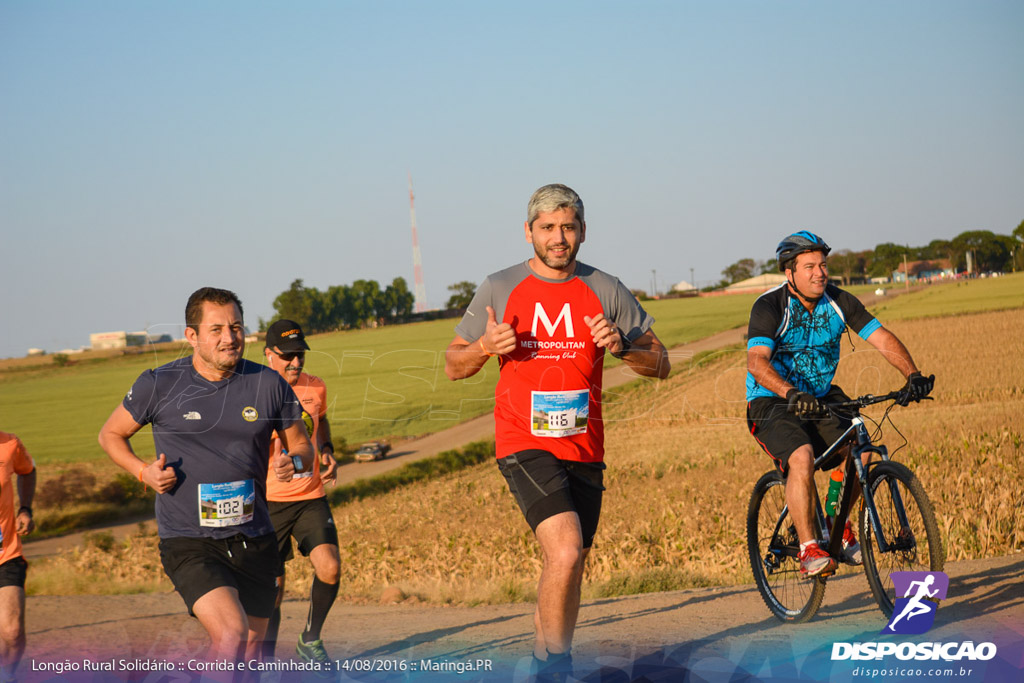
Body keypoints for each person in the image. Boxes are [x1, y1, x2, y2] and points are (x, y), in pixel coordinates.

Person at [444, 184, 670, 681]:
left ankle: (541, 658)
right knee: (565, 549)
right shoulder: (499, 287)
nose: (558, 237)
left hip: (585, 445)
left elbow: (662, 363)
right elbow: (453, 365)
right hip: (524, 442)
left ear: (583, 231)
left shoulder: (606, 287)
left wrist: (623, 347)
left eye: (567, 227)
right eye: (547, 228)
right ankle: (556, 668)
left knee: (570, 563)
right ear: (529, 232)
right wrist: (484, 345)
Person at [98, 287, 313, 674]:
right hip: (190, 540)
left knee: (250, 654)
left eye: (236, 327)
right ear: (191, 336)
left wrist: (293, 463)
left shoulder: (268, 384)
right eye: (216, 329)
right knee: (231, 634)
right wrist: (142, 471)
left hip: (254, 538)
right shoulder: (159, 384)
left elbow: (302, 446)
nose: (230, 338)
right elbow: (110, 435)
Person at [746, 232, 934, 577]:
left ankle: (836, 521)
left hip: (820, 395)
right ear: (790, 274)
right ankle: (808, 549)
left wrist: (912, 375)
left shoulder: (839, 301)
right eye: (810, 267)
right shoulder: (770, 306)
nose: (820, 273)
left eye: (823, 265)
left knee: (861, 449)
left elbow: (881, 338)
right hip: (772, 400)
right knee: (800, 456)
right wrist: (790, 393)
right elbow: (757, 363)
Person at [260, 319, 340, 670]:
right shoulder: (251, 390)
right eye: (288, 356)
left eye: (300, 356)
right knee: (272, 592)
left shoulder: (315, 387)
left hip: (309, 495)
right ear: (268, 354)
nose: (295, 363)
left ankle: (310, 639)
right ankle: (263, 661)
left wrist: (326, 450)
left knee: (331, 567)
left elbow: (319, 421)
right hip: (267, 503)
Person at [0, 432, 36, 683]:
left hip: (6, 553)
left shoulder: (9, 444)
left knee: (12, 632)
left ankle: (7, 676)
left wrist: (25, 508)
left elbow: (27, 470)